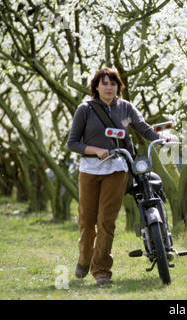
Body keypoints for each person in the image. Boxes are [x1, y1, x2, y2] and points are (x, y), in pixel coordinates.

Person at [67, 67, 176, 286]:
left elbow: (143, 129)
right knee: (87, 222)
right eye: (104, 83)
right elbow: (73, 143)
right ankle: (84, 259)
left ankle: (101, 271)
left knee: (106, 221)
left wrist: (162, 137)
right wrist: (95, 150)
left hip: (117, 170)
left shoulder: (126, 108)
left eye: (113, 84)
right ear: (96, 86)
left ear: (119, 87)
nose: (109, 87)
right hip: (90, 170)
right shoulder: (85, 109)